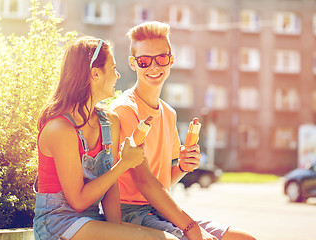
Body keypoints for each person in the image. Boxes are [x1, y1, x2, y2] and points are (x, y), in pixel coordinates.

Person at [110, 21, 256, 240]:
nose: (154, 67)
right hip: (130, 214)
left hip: (159, 209)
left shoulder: (169, 113)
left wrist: (182, 166)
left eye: (161, 58)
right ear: (133, 63)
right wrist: (191, 228)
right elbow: (144, 182)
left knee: (244, 238)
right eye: (144, 60)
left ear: (171, 60)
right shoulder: (124, 109)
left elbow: (161, 182)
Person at [33, 35, 180, 240]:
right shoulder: (60, 129)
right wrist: (124, 164)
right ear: (95, 74)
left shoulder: (109, 121)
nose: (118, 75)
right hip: (58, 224)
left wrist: (118, 230)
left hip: (91, 222)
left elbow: (110, 187)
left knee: (171, 238)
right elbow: (78, 201)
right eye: (113, 68)